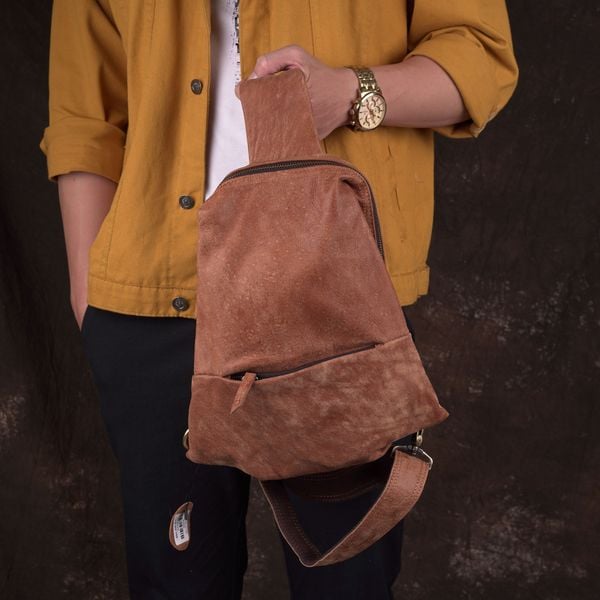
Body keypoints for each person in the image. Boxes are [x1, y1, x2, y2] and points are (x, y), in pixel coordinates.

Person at [39, 1, 518, 598]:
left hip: (338, 298)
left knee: (348, 585)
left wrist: (351, 92)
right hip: (154, 303)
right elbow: (85, 115)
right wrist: (91, 298)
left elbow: (479, 54)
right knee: (175, 583)